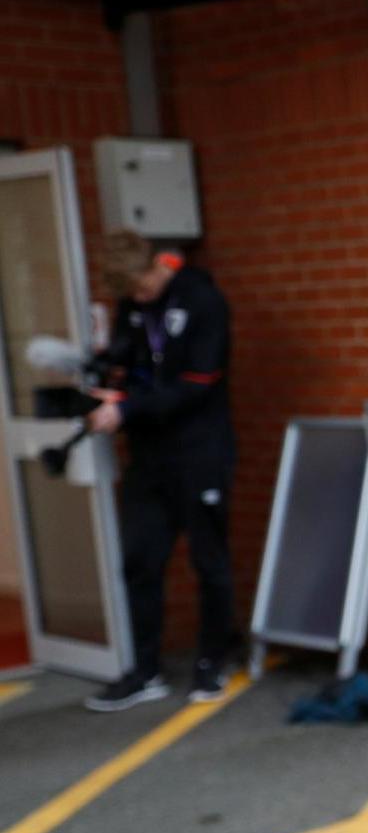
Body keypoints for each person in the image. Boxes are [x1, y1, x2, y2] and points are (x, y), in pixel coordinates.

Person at [83, 232, 237, 711]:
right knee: (139, 560)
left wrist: (128, 411)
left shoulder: (201, 299)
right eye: (131, 294)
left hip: (199, 450)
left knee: (208, 559)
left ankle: (213, 660)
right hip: (149, 457)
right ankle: (145, 669)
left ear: (156, 267)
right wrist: (104, 375)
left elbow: (198, 383)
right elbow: (125, 362)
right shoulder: (131, 306)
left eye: (143, 289)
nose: (139, 299)